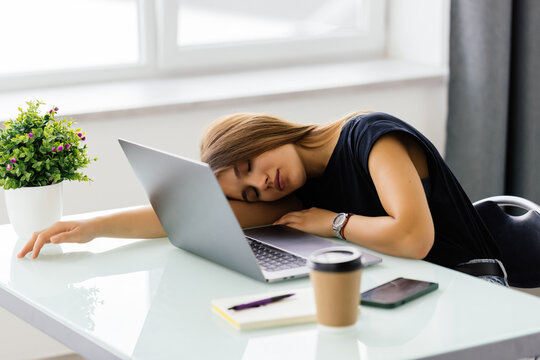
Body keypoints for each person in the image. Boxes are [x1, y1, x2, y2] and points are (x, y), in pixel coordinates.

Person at [17, 111, 507, 285]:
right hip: (406, 288)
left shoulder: (372, 138)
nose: (263, 185)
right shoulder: (299, 189)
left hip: (471, 282)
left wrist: (331, 223)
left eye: (249, 165)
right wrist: (93, 227)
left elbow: (414, 237)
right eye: (249, 191)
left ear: (259, 134)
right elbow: (194, 215)